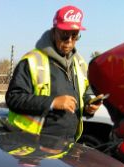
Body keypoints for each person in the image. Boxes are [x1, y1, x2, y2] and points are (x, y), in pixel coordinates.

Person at [6, 5, 100, 141]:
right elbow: (13, 98)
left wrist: (88, 106)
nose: (69, 41)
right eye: (64, 35)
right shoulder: (32, 61)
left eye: (74, 36)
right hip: (35, 147)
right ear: (54, 32)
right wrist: (52, 102)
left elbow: (84, 93)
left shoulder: (79, 63)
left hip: (68, 142)